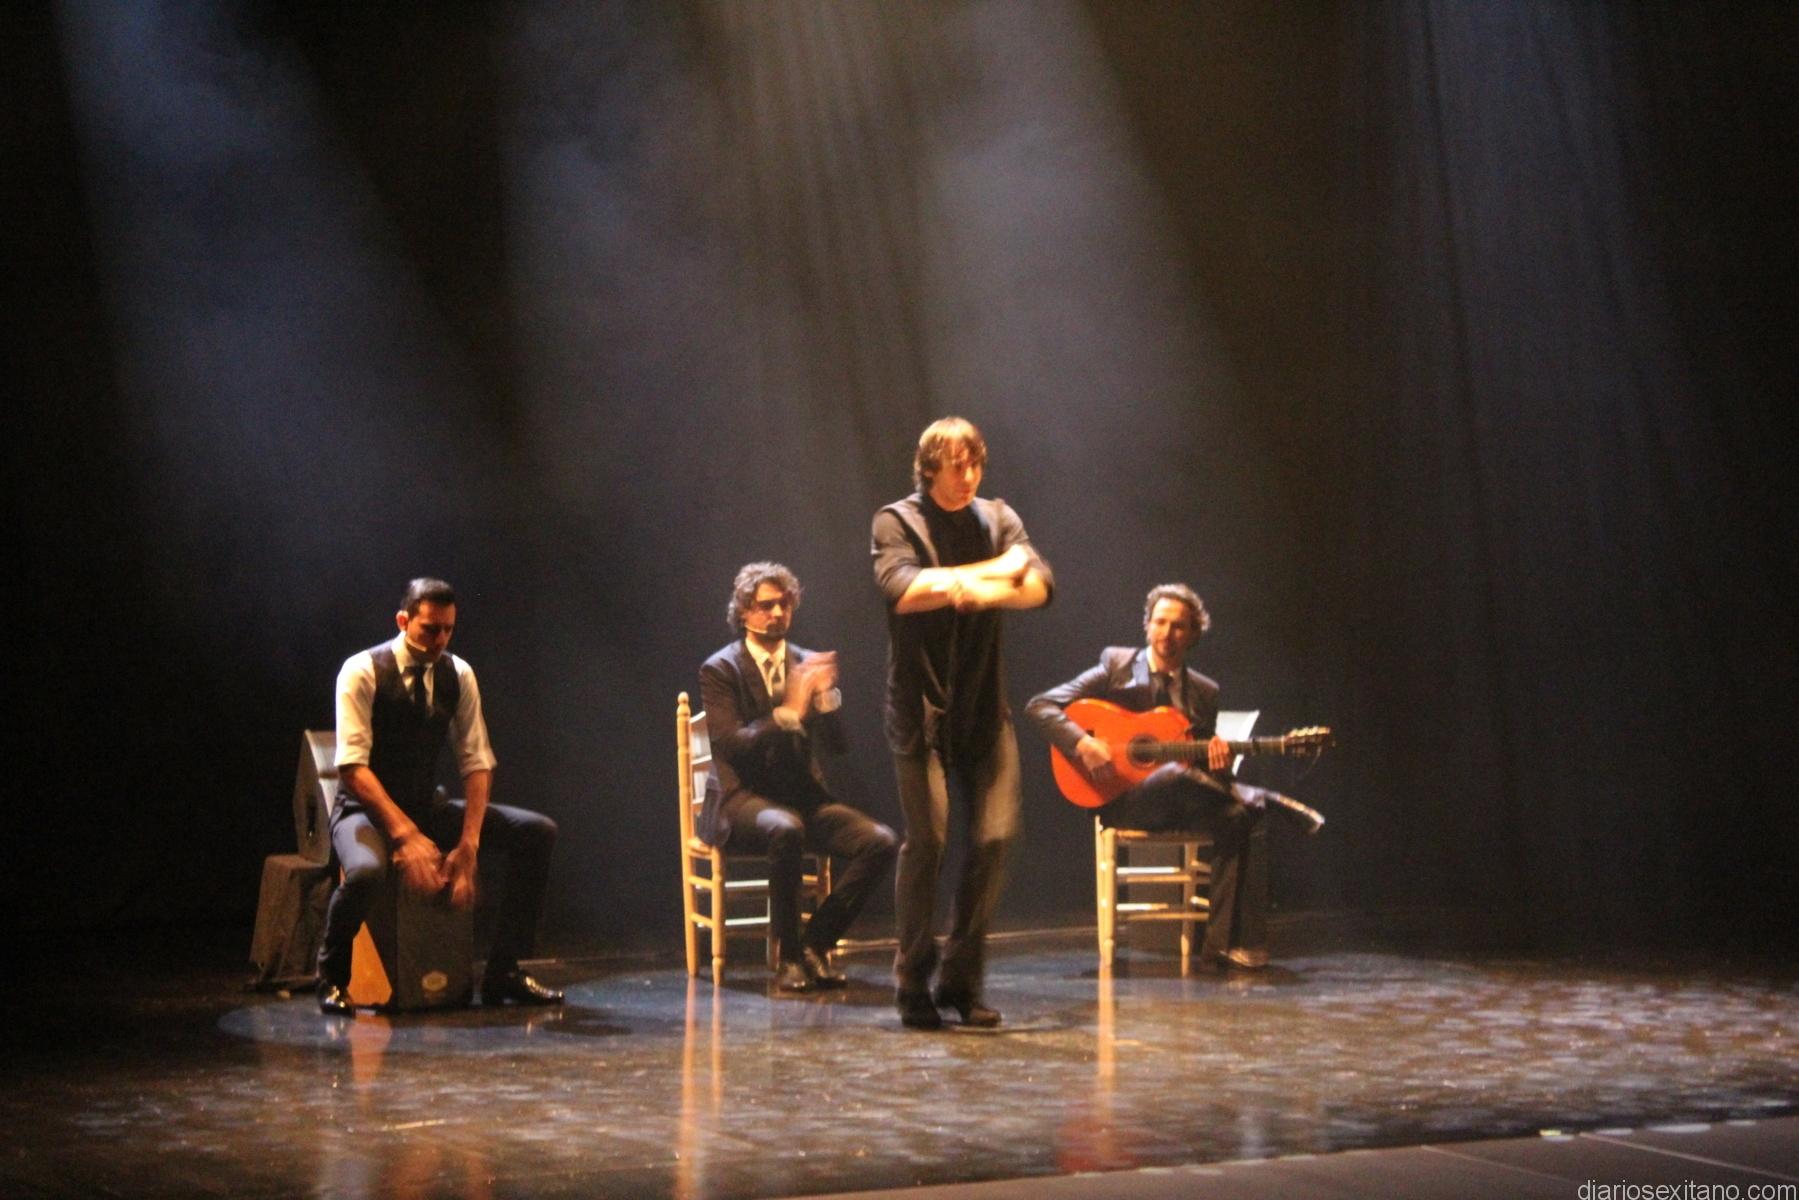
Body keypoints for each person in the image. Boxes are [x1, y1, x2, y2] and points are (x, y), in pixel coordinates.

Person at [1025, 583, 1321, 971]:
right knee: (1174, 776)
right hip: (1123, 800)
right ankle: (1266, 797)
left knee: (1239, 816)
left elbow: (1203, 771)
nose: (1167, 633)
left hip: (1182, 802)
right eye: (1160, 622)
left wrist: (1219, 761)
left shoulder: (1204, 691)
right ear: (1147, 626)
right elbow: (1040, 706)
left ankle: (1223, 948)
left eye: (1179, 626)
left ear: (1193, 633)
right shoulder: (1116, 666)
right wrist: (1082, 743)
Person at [872, 417, 1053, 1028]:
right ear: (929, 468)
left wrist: (984, 591)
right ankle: (911, 982)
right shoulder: (897, 522)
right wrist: (996, 571)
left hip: (983, 710)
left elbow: (1040, 586)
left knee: (996, 837)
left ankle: (960, 979)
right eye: (957, 466)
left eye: (976, 464)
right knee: (928, 842)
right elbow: (904, 590)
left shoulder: (997, 517)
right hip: (920, 713)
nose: (969, 476)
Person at [316, 578, 562, 1016]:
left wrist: (469, 845)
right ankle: (331, 977)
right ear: (403, 621)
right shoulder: (362, 671)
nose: (440, 639)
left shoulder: (458, 674)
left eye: (448, 629)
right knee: (367, 872)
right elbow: (352, 768)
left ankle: (504, 970)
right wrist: (405, 835)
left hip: (425, 806)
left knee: (536, 833)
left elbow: (477, 761)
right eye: (430, 629)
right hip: (363, 811)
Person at [698, 563, 899, 992]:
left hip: (800, 798)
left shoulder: (805, 662)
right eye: (766, 605)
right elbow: (732, 746)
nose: (777, 613)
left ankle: (815, 943)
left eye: (785, 604)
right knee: (785, 829)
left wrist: (825, 699)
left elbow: (838, 746)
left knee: (880, 842)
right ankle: (788, 959)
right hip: (741, 799)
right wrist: (788, 712)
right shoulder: (720, 669)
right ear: (744, 611)